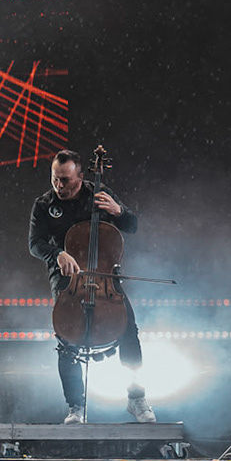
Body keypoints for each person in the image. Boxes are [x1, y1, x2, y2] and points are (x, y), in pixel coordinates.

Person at [28, 149, 156, 424]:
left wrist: (118, 211)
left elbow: (132, 225)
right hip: (68, 279)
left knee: (128, 330)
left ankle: (136, 398)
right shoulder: (44, 204)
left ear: (81, 176)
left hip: (105, 277)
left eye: (66, 180)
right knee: (66, 338)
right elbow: (35, 243)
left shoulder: (99, 194)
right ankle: (76, 407)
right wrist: (57, 253)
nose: (60, 186)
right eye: (56, 180)